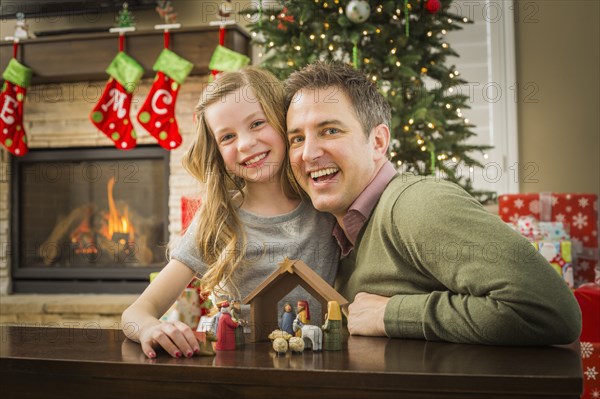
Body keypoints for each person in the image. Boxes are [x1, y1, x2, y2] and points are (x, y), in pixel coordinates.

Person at [284, 61, 582, 345]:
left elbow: (551, 310)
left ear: (377, 142)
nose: (308, 154)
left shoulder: (418, 205)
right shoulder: (335, 234)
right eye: (296, 139)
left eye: (330, 131)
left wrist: (391, 314)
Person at [121, 67, 339, 358]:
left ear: (281, 118)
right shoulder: (219, 219)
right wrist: (149, 327)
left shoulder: (326, 205)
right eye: (227, 137)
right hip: (239, 374)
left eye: (258, 123)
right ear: (217, 153)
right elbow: (136, 312)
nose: (246, 144)